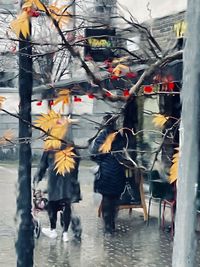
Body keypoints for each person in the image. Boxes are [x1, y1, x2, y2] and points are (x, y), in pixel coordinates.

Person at [33, 144, 82, 242]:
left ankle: (53, 230)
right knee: (66, 205)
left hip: (54, 180)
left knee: (53, 204)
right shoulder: (70, 146)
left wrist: (37, 178)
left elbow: (43, 165)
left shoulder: (50, 145)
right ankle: (65, 234)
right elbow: (77, 160)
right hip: (68, 179)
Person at [89, 114, 126, 235]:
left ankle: (108, 227)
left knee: (107, 200)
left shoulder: (103, 135)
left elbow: (94, 153)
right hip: (118, 172)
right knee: (114, 200)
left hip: (106, 173)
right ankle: (112, 225)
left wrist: (101, 161)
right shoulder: (120, 136)